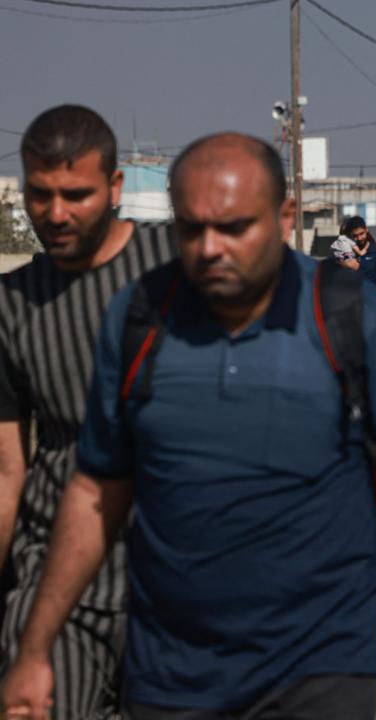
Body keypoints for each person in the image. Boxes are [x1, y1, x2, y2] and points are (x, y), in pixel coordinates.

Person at [0, 134, 376, 720]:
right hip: (170, 670)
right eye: (191, 229)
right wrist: (35, 649)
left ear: (285, 216)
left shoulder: (352, 318)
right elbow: (94, 494)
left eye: (234, 227)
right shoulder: (139, 318)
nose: (210, 248)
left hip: (320, 662)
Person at [0, 105, 175, 720]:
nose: (55, 213)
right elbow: (6, 471)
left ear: (116, 187)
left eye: (75, 195)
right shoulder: (11, 305)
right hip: (56, 584)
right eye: (39, 195)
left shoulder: (178, 269)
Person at [343, 216, 376, 295]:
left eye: (361, 234)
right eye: (355, 236)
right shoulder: (345, 254)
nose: (359, 238)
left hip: (374, 301)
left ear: (366, 230)